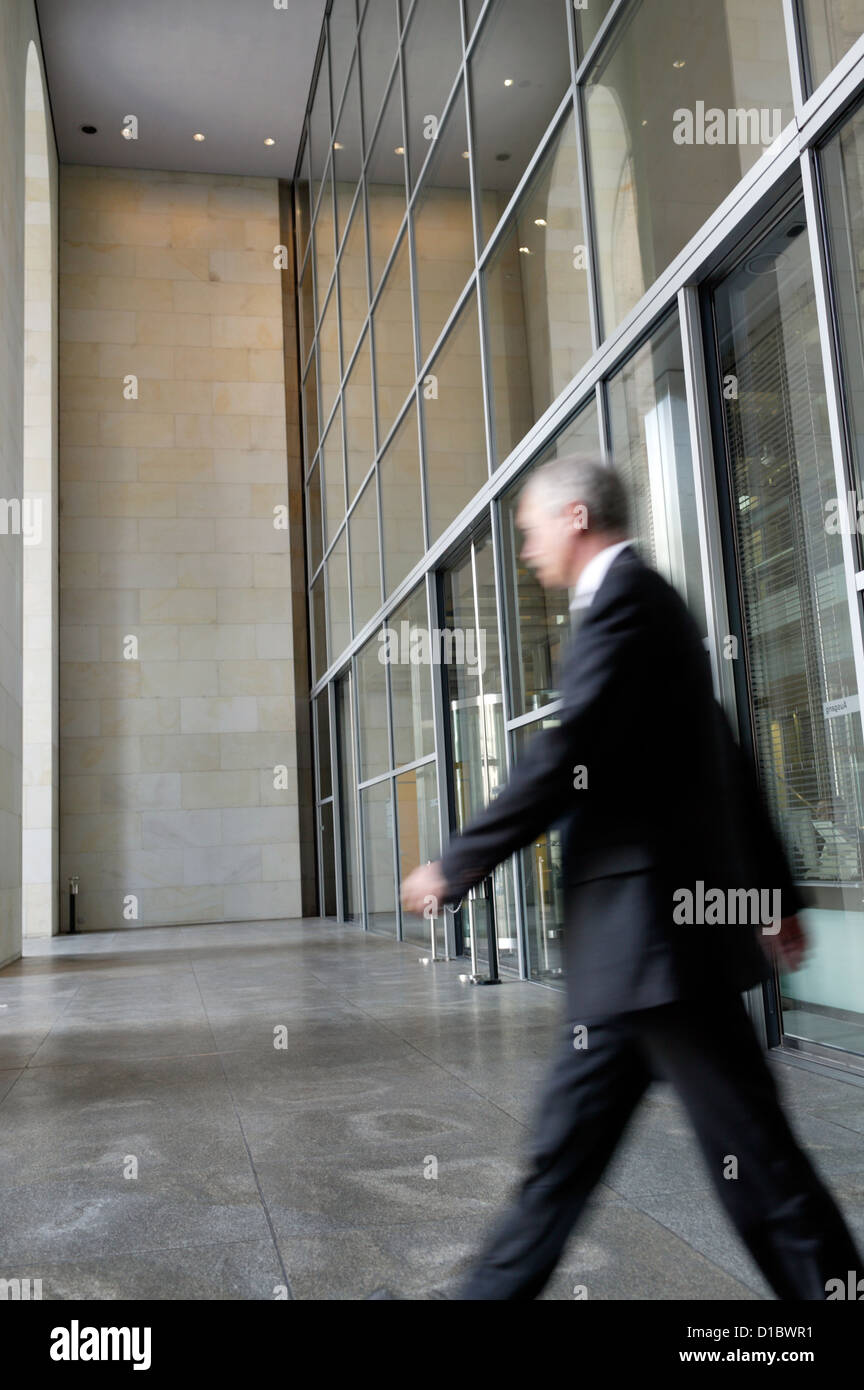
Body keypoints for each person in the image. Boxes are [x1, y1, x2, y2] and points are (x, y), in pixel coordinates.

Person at [397, 453, 862, 1302]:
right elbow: (725, 756)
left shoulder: (626, 608)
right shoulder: (645, 607)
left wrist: (457, 865)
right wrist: (771, 896)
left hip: (656, 956)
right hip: (641, 959)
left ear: (575, 517)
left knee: (751, 1166)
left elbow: (563, 756)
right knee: (570, 1165)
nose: (528, 548)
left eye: (532, 528)